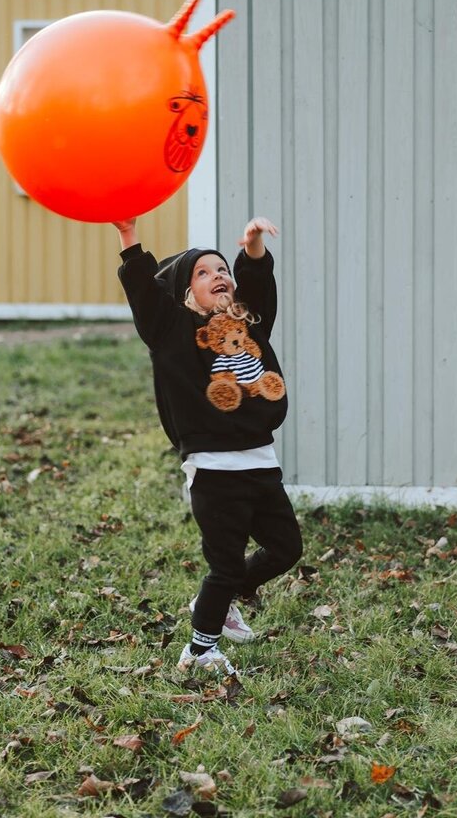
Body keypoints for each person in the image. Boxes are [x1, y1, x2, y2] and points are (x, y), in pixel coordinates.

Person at [114, 215, 302, 675]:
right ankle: (199, 651)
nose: (218, 275)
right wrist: (128, 236)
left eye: (223, 270)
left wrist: (253, 246)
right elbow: (144, 292)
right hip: (215, 472)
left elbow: (258, 282)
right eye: (203, 272)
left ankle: (222, 599)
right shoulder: (173, 336)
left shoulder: (249, 326)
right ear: (184, 294)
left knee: (286, 549)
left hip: (261, 464)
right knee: (224, 564)